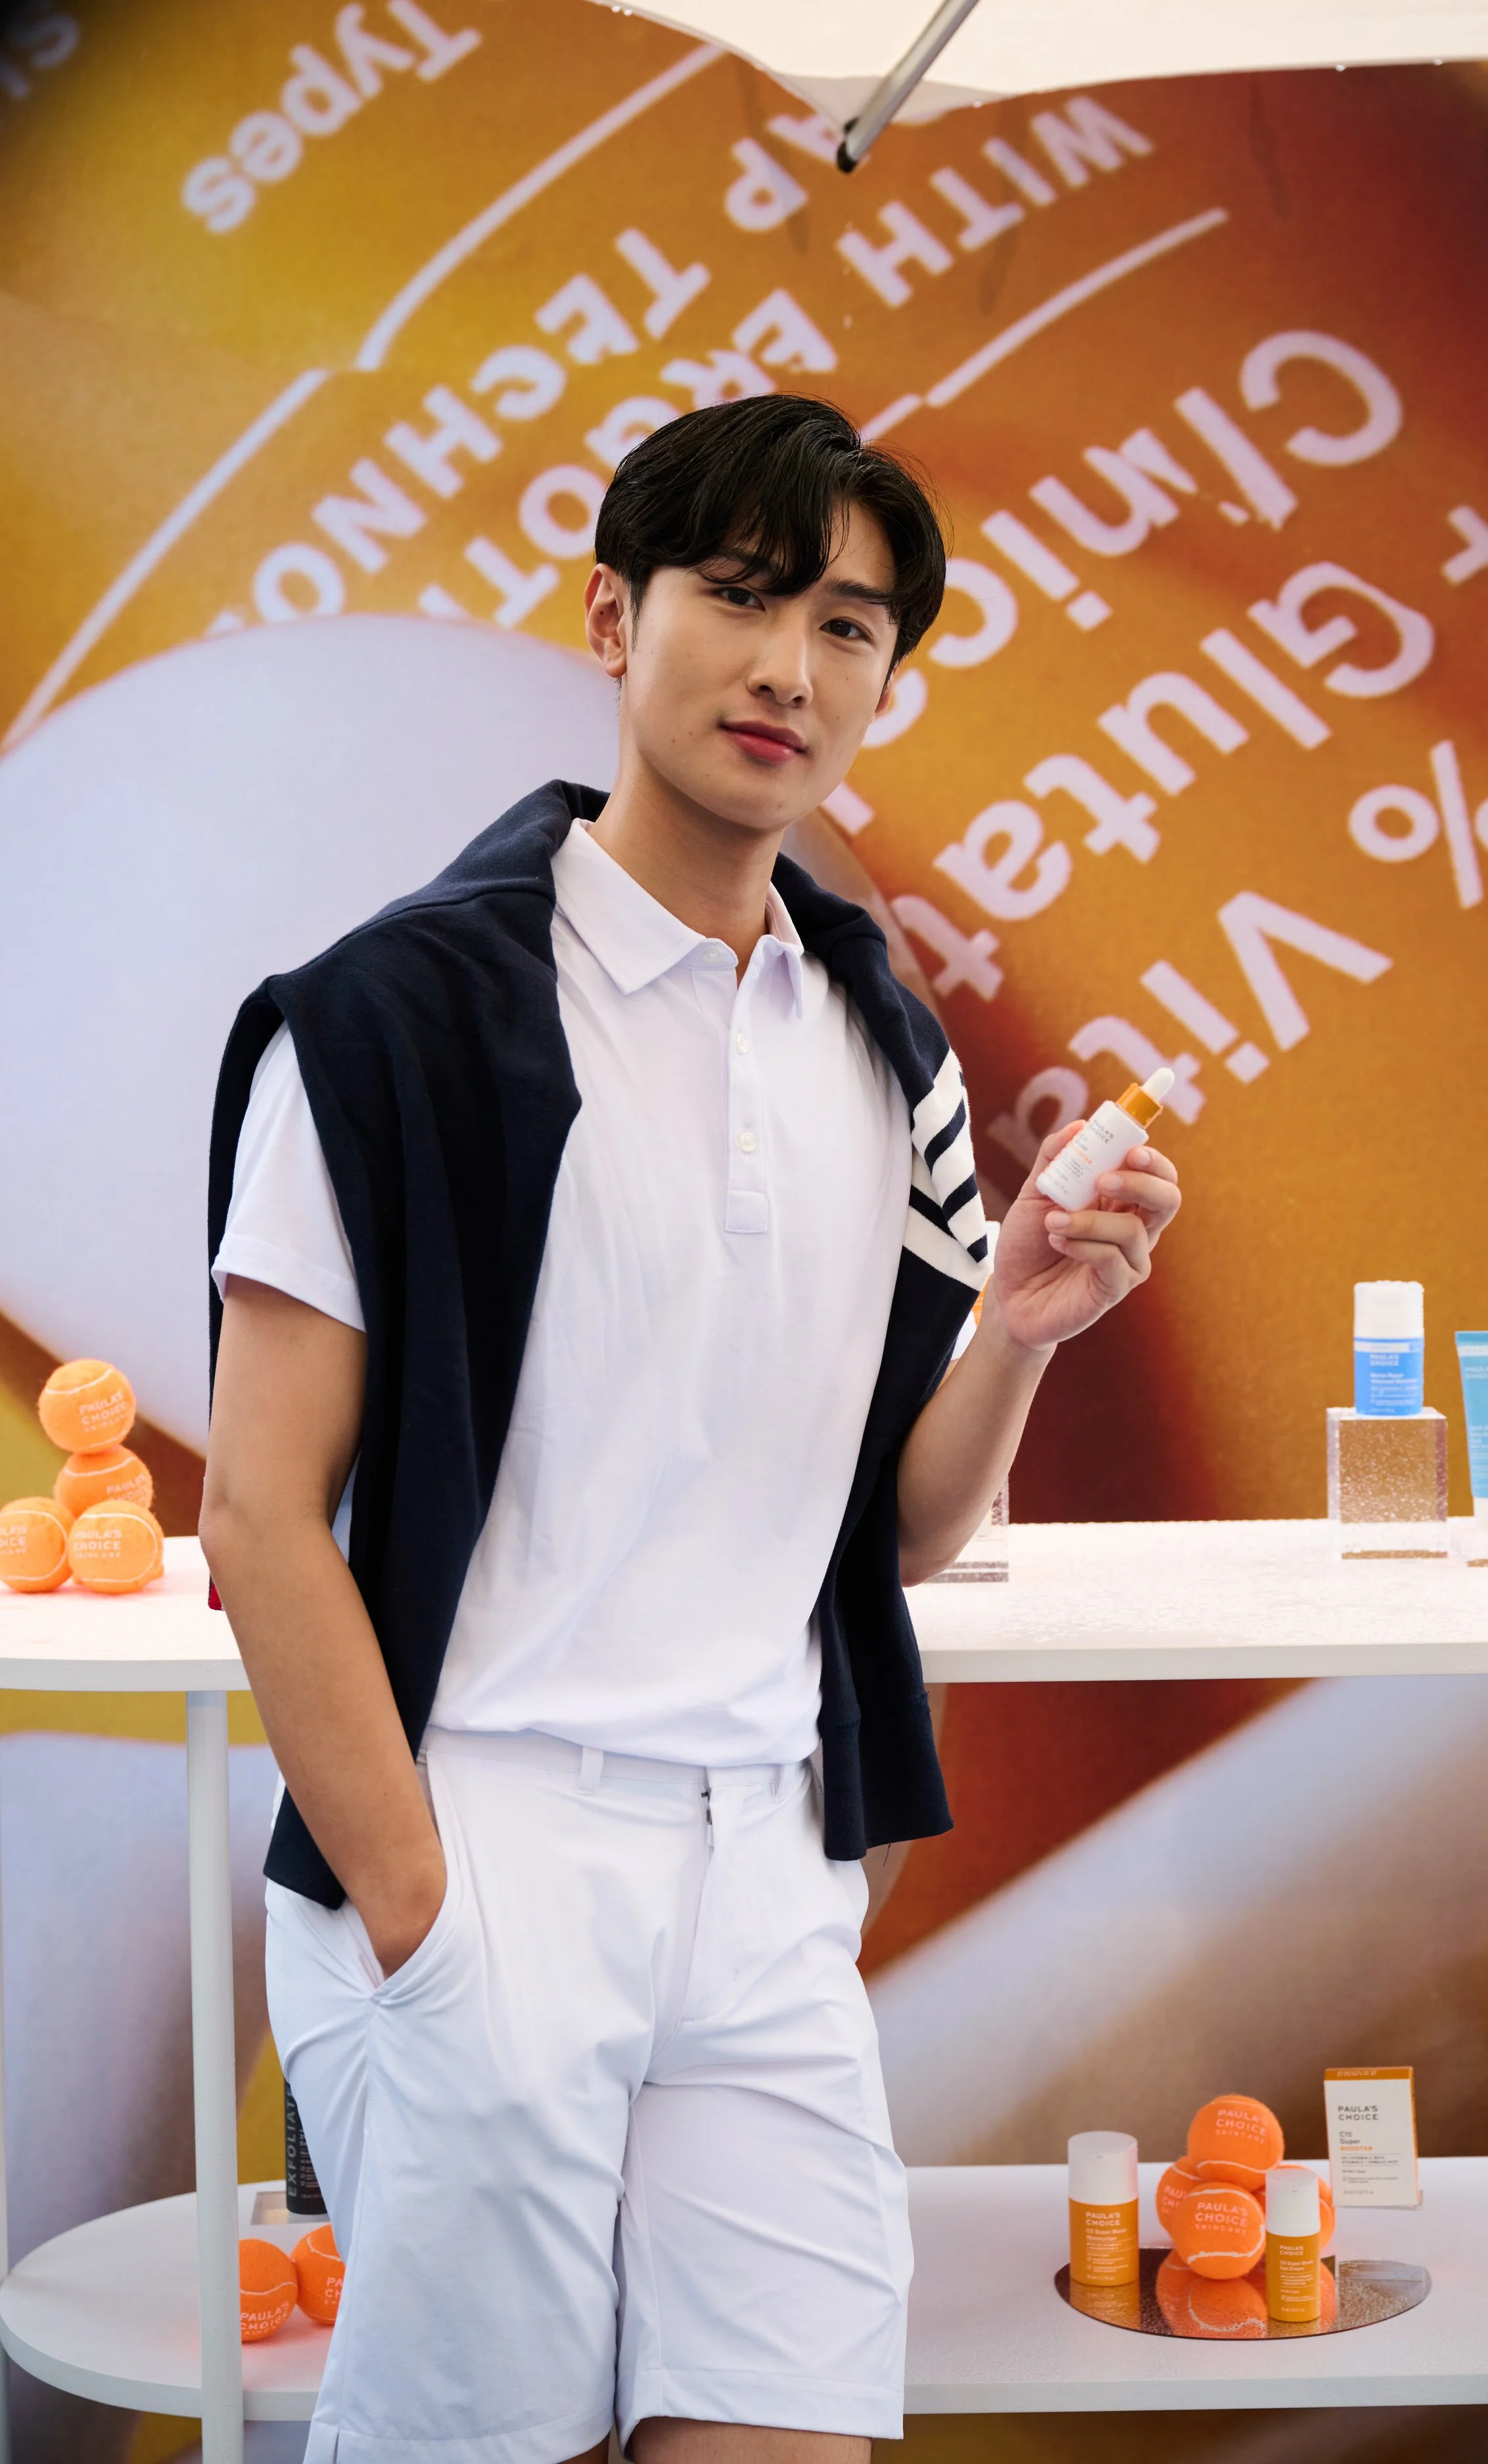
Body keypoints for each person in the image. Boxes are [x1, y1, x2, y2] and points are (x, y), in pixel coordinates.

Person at [200, 393, 1181, 2464]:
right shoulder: (386, 1020)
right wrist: (421, 1906)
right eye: (736, 597)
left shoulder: (886, 1046)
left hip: (764, 1871)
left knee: (790, 2424)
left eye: (846, 626)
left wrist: (1016, 1328)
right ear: (609, 618)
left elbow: (892, 1534)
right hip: (489, 1834)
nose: (786, 667)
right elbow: (260, 1511)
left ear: (883, 678)